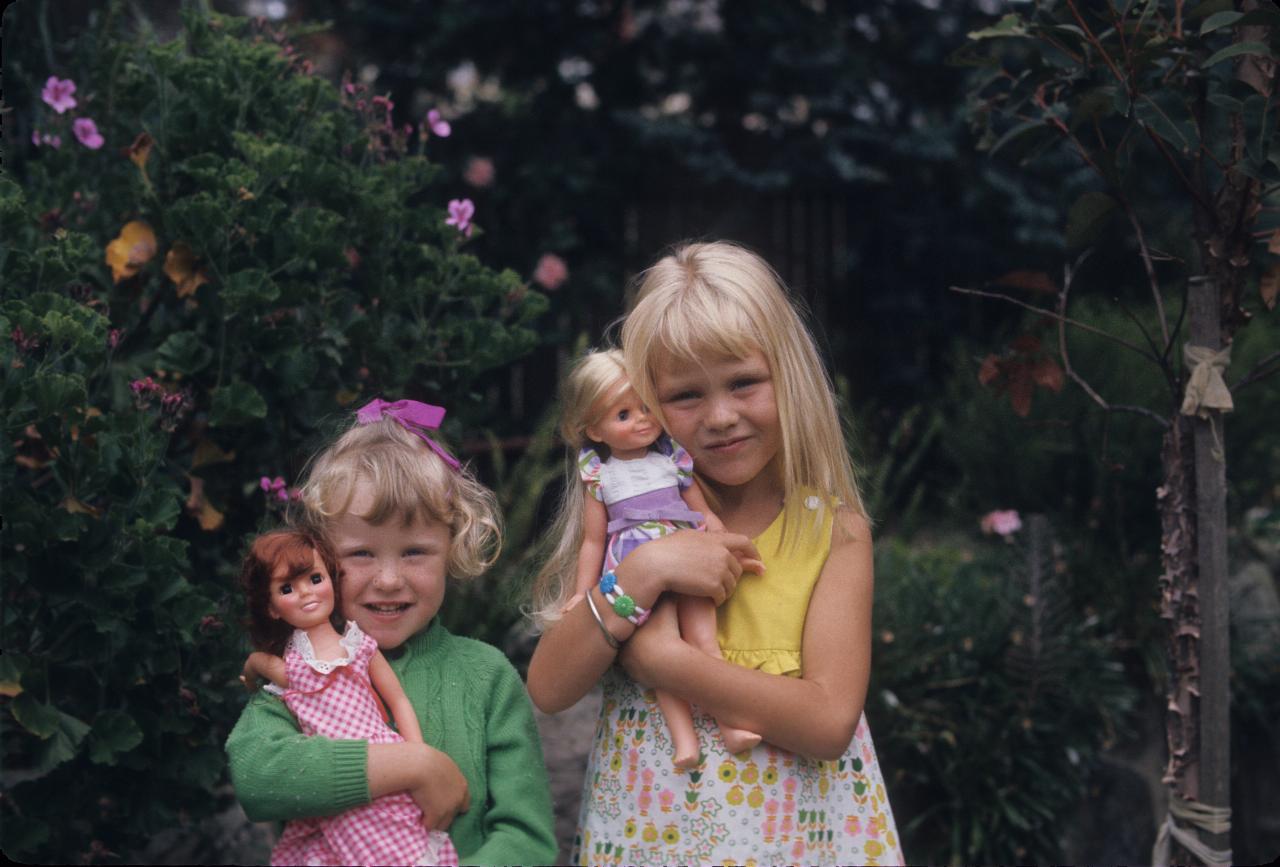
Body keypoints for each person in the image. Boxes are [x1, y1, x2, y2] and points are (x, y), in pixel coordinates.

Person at [527, 241, 903, 866]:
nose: (721, 416)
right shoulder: (631, 533)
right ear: (642, 407)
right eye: (685, 396)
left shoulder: (834, 534)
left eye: (744, 383)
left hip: (800, 846)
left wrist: (666, 661)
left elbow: (830, 722)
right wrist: (643, 574)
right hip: (654, 844)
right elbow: (549, 686)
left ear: (789, 376)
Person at [226, 399, 557, 867]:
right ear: (319, 558)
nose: (388, 579)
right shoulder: (302, 672)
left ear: (452, 548)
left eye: (415, 552)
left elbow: (527, 838)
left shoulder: (486, 676)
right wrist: (411, 765)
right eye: (361, 554)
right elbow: (258, 776)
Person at [531, 349, 762, 770]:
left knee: (704, 640)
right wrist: (582, 592)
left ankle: (731, 724)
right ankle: (683, 739)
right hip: (636, 571)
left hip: (690, 556)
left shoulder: (671, 459)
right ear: (593, 430)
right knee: (665, 656)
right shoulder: (600, 476)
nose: (641, 419)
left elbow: (702, 511)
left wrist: (721, 538)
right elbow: (592, 541)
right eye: (623, 415)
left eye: (645, 407)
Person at [236, 528, 457, 867]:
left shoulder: (358, 646)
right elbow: (257, 664)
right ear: (273, 608)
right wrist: (250, 677)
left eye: (314, 578)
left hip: (390, 762)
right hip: (338, 783)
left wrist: (417, 758)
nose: (306, 593)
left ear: (331, 579)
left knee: (409, 842)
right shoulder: (290, 667)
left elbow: (398, 701)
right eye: (287, 589)